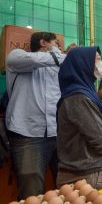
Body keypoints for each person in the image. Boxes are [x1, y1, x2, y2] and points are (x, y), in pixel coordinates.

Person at [56, 47, 102, 189]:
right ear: (83, 64)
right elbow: (99, 136)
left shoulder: (83, 93)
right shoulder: (79, 97)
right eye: (98, 59)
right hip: (85, 175)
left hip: (85, 171)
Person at [5, 32, 65, 199]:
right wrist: (63, 55)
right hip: (28, 134)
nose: (59, 47)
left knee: (68, 185)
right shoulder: (18, 56)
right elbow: (37, 60)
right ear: (43, 42)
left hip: (58, 133)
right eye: (55, 43)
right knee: (31, 190)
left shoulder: (58, 65)